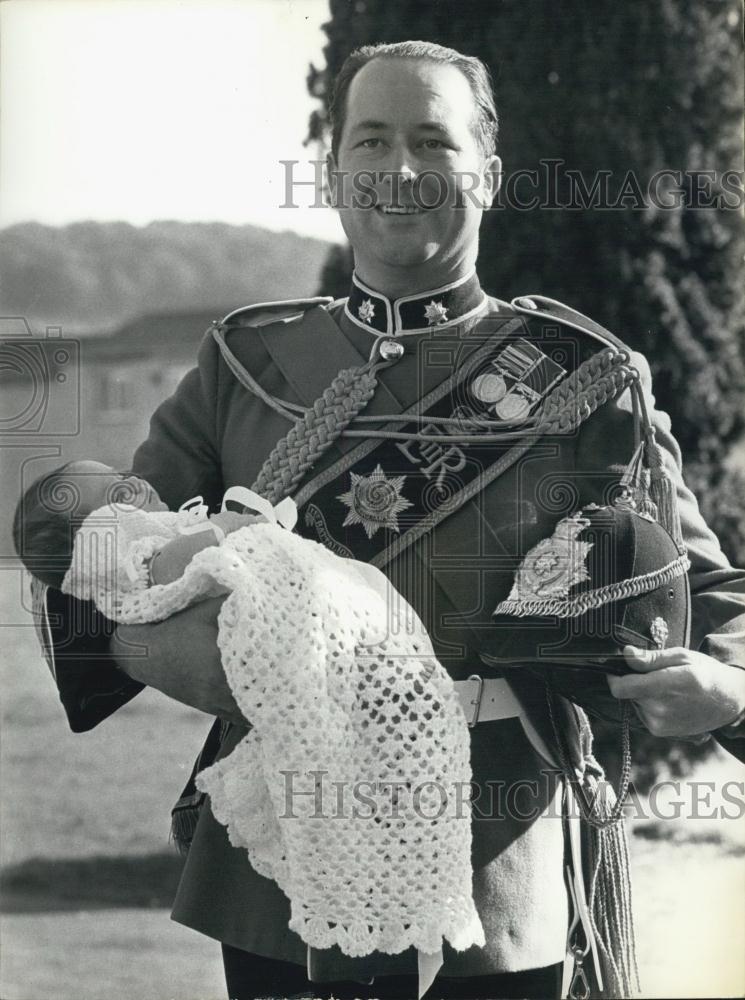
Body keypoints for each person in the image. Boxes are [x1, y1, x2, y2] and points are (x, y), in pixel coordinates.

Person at [26, 40, 745, 1000]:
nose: (398, 170)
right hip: (275, 859)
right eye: (369, 141)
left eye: (431, 141)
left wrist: (724, 686)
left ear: (487, 172)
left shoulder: (585, 379)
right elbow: (109, 560)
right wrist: (155, 636)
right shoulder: (248, 363)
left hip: (495, 856)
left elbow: (712, 594)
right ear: (334, 172)